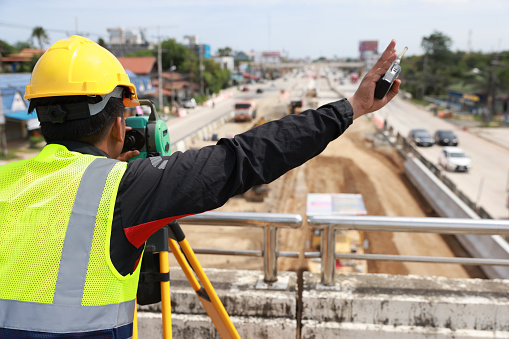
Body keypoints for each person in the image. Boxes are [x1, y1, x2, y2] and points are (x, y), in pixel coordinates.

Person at [0, 35, 400, 338]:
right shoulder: (126, 189)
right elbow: (247, 156)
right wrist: (352, 107)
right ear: (120, 123)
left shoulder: (6, 180)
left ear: (39, 118)